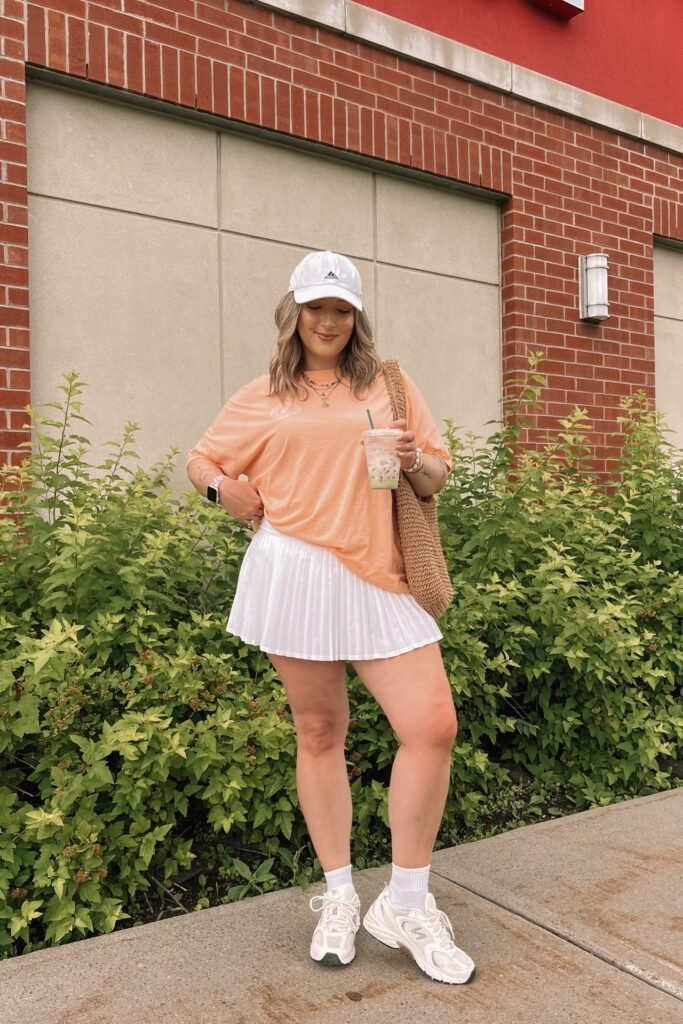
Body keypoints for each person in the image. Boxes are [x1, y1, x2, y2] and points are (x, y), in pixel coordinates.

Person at [186, 250, 475, 986]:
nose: (327, 321)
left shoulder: (390, 387)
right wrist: (225, 491)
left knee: (432, 725)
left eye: (340, 309)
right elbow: (202, 459)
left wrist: (410, 458)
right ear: (294, 313)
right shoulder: (261, 394)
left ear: (356, 317)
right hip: (295, 572)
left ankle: (406, 903)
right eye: (315, 307)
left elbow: (438, 475)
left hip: (379, 575)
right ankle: (340, 894)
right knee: (319, 732)